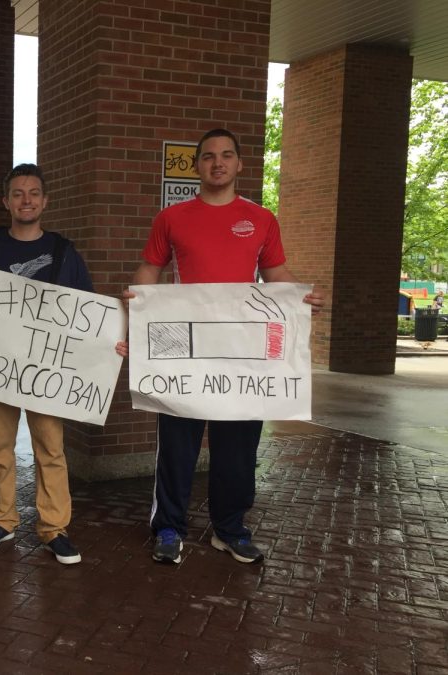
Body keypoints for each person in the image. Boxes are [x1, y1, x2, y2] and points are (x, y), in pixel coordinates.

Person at [130, 129, 324, 565]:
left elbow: (277, 276)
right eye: (208, 157)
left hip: (243, 353)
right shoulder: (172, 218)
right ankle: (168, 527)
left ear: (239, 165)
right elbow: (149, 271)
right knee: (178, 443)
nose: (217, 163)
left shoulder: (262, 219)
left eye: (226, 156)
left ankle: (230, 528)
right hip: (185, 349)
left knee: (238, 447)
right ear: (197, 166)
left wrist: (300, 301)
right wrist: (135, 313)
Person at [0, 163, 125, 565]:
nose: (27, 200)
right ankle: (3, 521)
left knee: (51, 449)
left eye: (34, 193)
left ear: (45, 200)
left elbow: (86, 310)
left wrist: (108, 344)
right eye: (18, 194)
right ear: (6, 201)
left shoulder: (63, 251)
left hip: (47, 373)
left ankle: (54, 527)